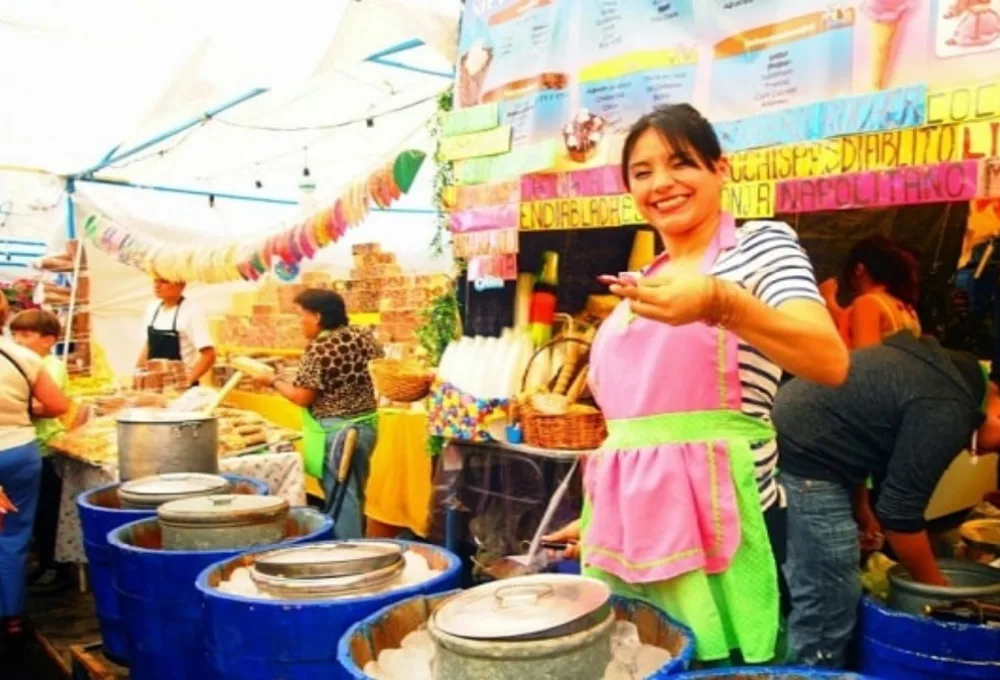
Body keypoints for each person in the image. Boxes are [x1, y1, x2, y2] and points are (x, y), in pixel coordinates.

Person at [545, 103, 848, 665]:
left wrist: (721, 303)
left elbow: (829, 361)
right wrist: (607, 515)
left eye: (680, 162)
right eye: (642, 172)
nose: (661, 182)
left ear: (719, 168)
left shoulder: (760, 246)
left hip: (728, 529)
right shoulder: (644, 284)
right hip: (640, 534)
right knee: (642, 661)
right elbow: (636, 433)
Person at [774, 332, 1000, 668]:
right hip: (803, 455)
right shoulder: (948, 406)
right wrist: (936, 587)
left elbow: (863, 430)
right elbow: (900, 515)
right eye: (996, 447)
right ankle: (812, 672)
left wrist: (861, 507)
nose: (981, 453)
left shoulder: (954, 375)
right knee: (829, 602)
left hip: (807, 439)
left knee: (829, 588)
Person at [255, 289, 382, 538]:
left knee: (342, 497)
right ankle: (355, 542)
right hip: (365, 426)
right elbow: (377, 363)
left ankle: (348, 550)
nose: (298, 322)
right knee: (354, 492)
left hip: (336, 432)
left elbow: (303, 396)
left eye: (300, 314)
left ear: (317, 316)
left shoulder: (319, 349)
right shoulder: (362, 336)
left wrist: (273, 381)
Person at [0, 295, 69, 645]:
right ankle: (12, 616)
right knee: (13, 535)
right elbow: (58, 405)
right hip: (18, 450)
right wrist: (22, 409)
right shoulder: (23, 356)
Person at [10, 310, 71, 593]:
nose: (18, 340)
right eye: (15, 334)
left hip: (45, 446)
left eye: (26, 334)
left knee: (46, 513)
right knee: (33, 516)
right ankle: (43, 562)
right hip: (29, 443)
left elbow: (49, 405)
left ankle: (55, 567)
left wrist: (17, 405)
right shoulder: (24, 361)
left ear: (48, 340)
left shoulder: (49, 366)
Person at [820, 236, 920, 349]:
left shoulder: (868, 302)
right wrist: (829, 300)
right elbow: (855, 324)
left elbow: (865, 356)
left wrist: (827, 298)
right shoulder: (905, 307)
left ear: (859, 269)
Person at [136, 278, 216, 386]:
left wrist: (185, 384)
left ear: (181, 285)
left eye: (164, 281)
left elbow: (209, 356)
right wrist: (138, 373)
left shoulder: (192, 312)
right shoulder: (152, 308)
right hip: (155, 386)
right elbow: (148, 345)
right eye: (155, 281)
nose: (157, 286)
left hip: (180, 387)